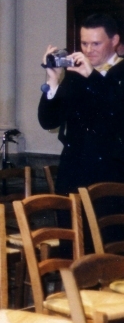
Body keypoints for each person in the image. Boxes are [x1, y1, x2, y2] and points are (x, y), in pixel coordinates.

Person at [38, 13, 124, 195]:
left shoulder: (120, 72)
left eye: (96, 44)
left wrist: (92, 76)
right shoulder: (76, 74)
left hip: (112, 175)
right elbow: (49, 121)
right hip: (73, 173)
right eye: (84, 43)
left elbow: (116, 113)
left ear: (114, 40)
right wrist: (52, 80)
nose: (88, 50)